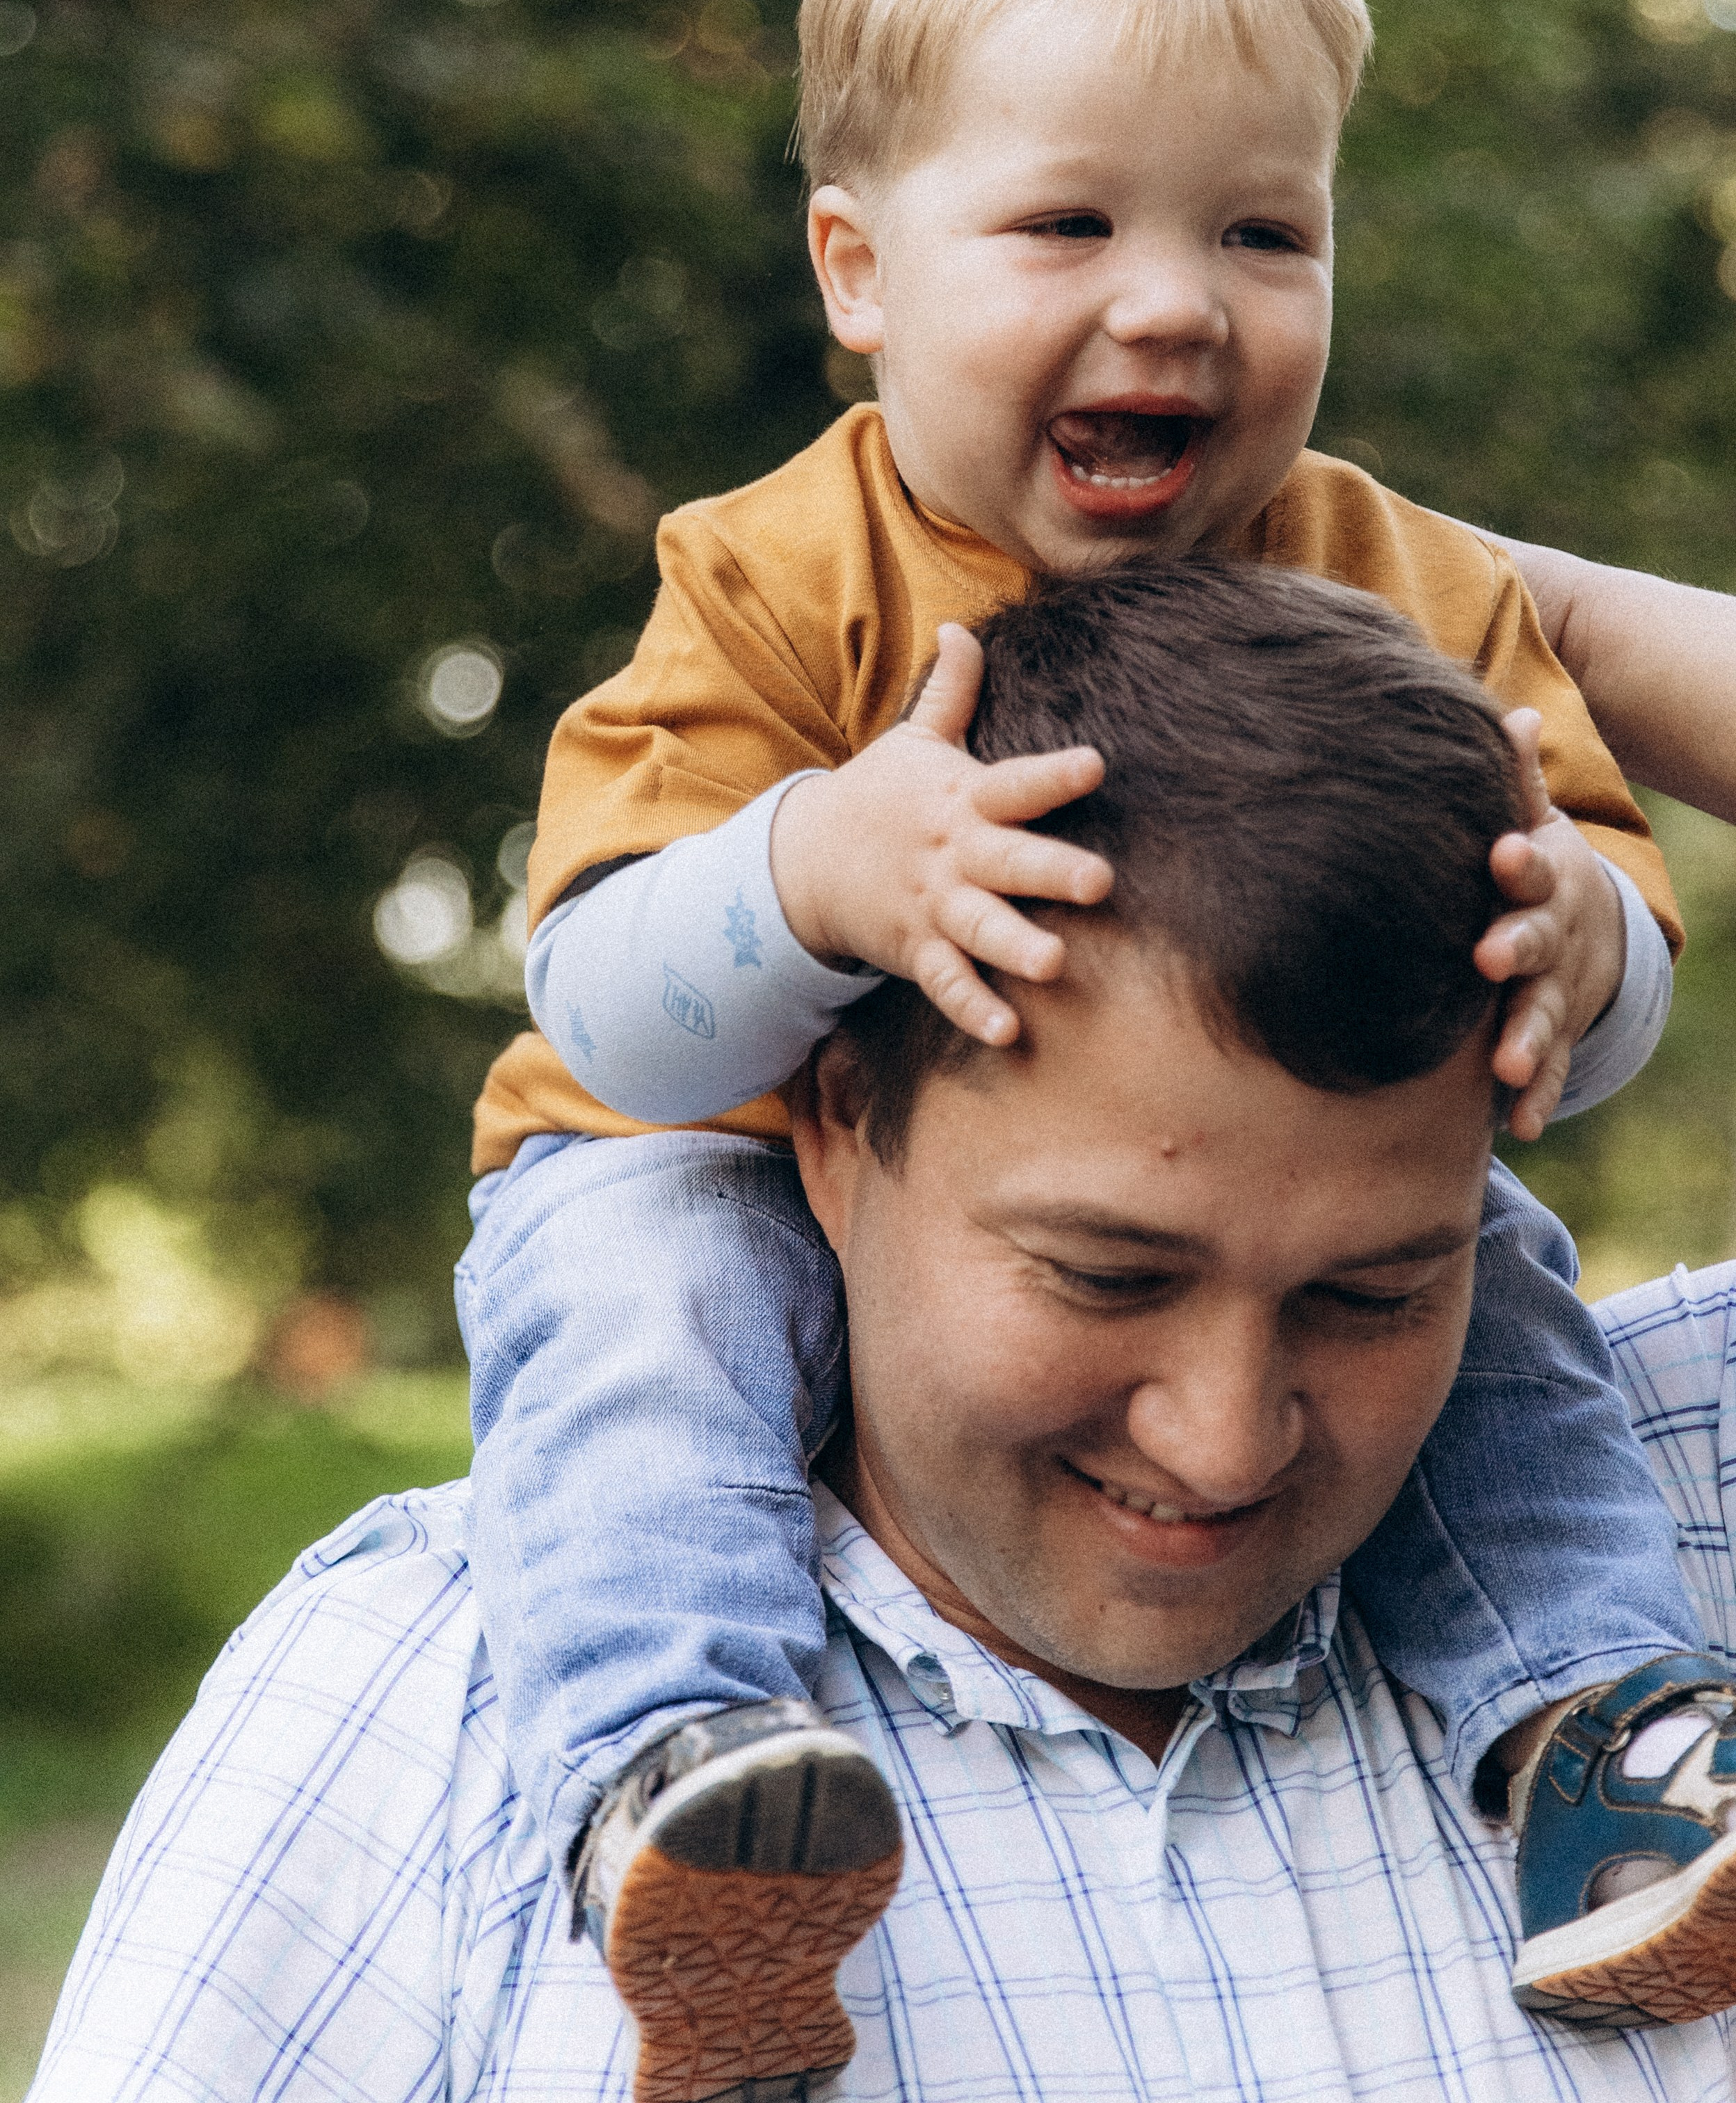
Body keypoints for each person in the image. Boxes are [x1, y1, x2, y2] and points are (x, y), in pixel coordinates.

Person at [459, 0, 1719, 2093]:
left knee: (1496, 1275)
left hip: (1249, 1176)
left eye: (1261, 230)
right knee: (633, 1311)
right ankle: (689, 1796)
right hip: (701, 1142)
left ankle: (1595, 1737)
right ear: (856, 269)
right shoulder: (778, 573)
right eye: (1066, 222)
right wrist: (811, 871)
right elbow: (600, 1004)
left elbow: (1607, 922)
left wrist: (1576, 949)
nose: (1173, 301)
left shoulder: (1390, 578)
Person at [31, 564, 1736, 2102]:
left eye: (1377, 1295)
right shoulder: (412, 1722)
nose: (1223, 1439)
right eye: (1107, 1275)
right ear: (840, 1126)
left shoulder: (1673, 1524)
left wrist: (1517, 614)